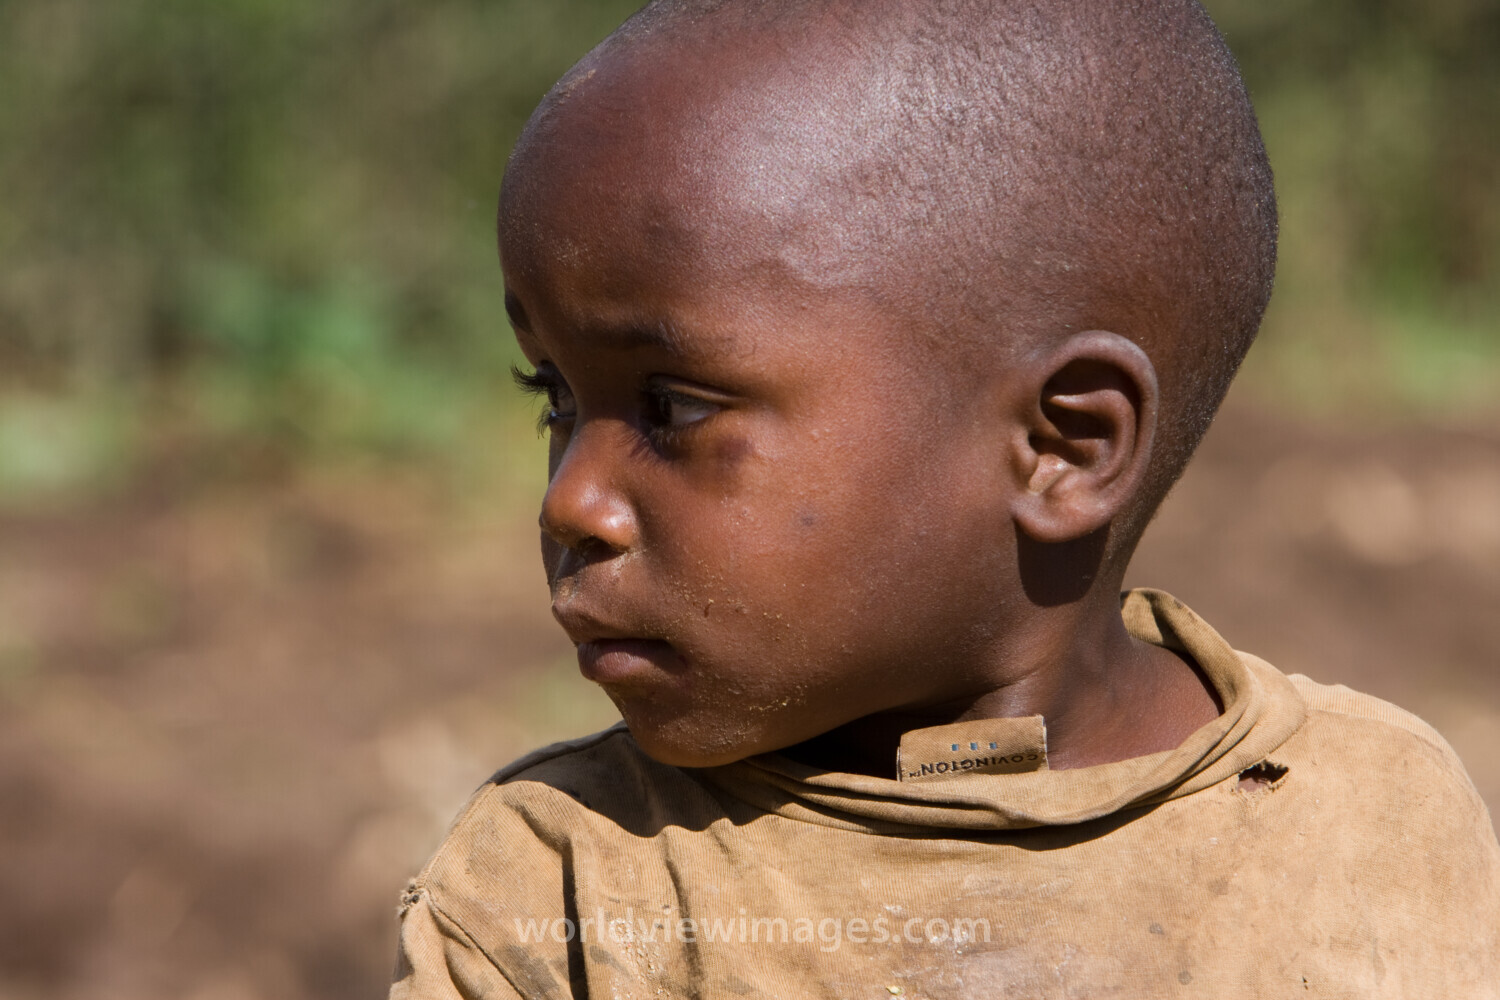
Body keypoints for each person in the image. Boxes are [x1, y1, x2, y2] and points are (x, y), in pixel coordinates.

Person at [390, 1, 1500, 995]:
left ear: (1061, 448)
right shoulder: (561, 889)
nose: (571, 500)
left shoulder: (1371, 826)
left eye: (673, 407)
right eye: (556, 400)